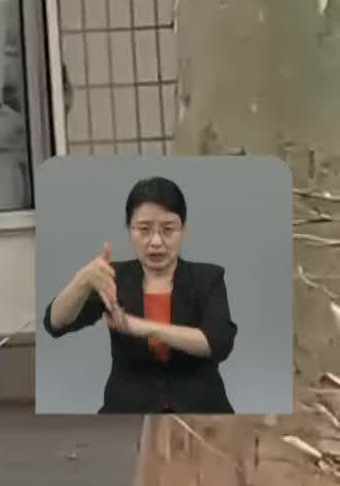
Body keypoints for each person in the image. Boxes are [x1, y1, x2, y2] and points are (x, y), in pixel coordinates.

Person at [43, 176, 237, 413]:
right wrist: (83, 280)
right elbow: (55, 323)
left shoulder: (208, 278)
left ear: (183, 230)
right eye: (144, 230)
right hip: (128, 411)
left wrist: (142, 327)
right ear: (129, 230)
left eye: (168, 230)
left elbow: (218, 343)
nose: (156, 242)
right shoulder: (114, 278)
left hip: (201, 411)